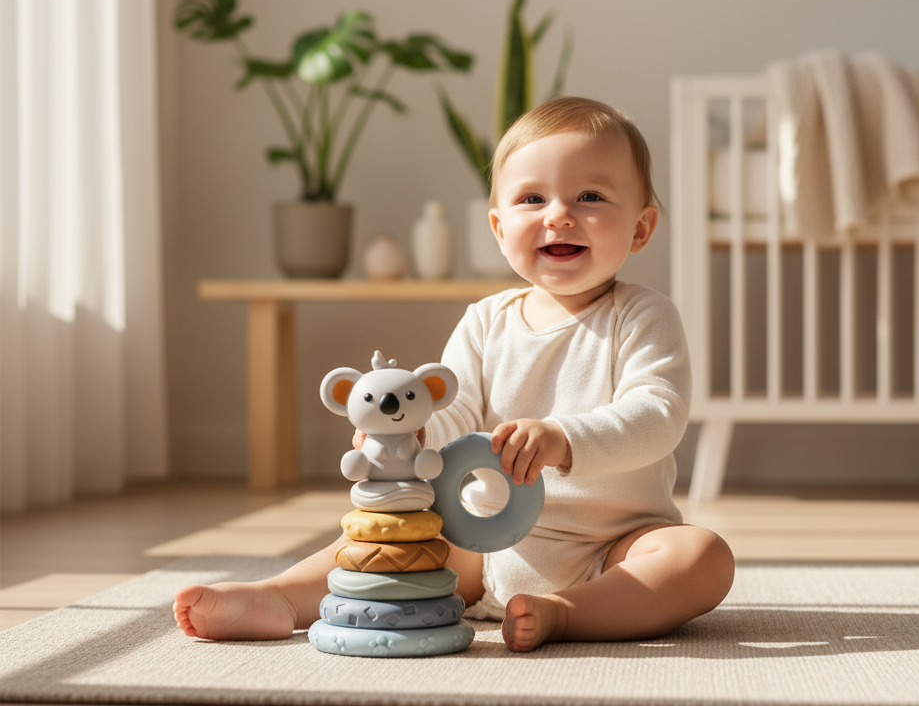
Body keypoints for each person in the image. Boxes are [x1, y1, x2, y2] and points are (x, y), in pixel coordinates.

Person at [174, 95, 735, 652]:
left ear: (640, 228)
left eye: (590, 196)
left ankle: (567, 614)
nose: (558, 214)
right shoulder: (486, 320)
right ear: (498, 227)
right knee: (394, 536)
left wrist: (563, 438)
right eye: (532, 198)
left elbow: (657, 414)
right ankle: (279, 596)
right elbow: (454, 411)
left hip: (616, 548)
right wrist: (413, 434)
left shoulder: (642, 316)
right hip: (484, 541)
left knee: (701, 557)